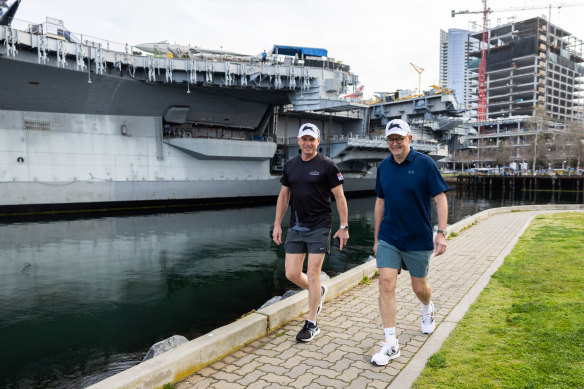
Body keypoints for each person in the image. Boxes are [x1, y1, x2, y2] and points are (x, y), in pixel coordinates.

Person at [370, 119, 449, 366]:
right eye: (391, 139)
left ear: (409, 139)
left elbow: (440, 199)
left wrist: (442, 232)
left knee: (419, 288)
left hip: (417, 237)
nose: (395, 143)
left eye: (399, 139)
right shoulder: (383, 167)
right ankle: (391, 343)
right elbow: (380, 203)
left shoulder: (425, 164)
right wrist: (376, 237)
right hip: (390, 236)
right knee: (385, 283)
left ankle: (427, 308)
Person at [273, 123, 349, 342]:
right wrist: (278, 223)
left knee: (313, 273)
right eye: (304, 139)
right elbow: (284, 196)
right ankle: (319, 291)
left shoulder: (327, 166)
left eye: (311, 139)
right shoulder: (290, 166)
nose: (307, 143)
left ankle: (312, 323)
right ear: (298, 141)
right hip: (296, 225)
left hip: (320, 225)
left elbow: (340, 197)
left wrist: (343, 227)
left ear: (318, 142)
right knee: (292, 274)